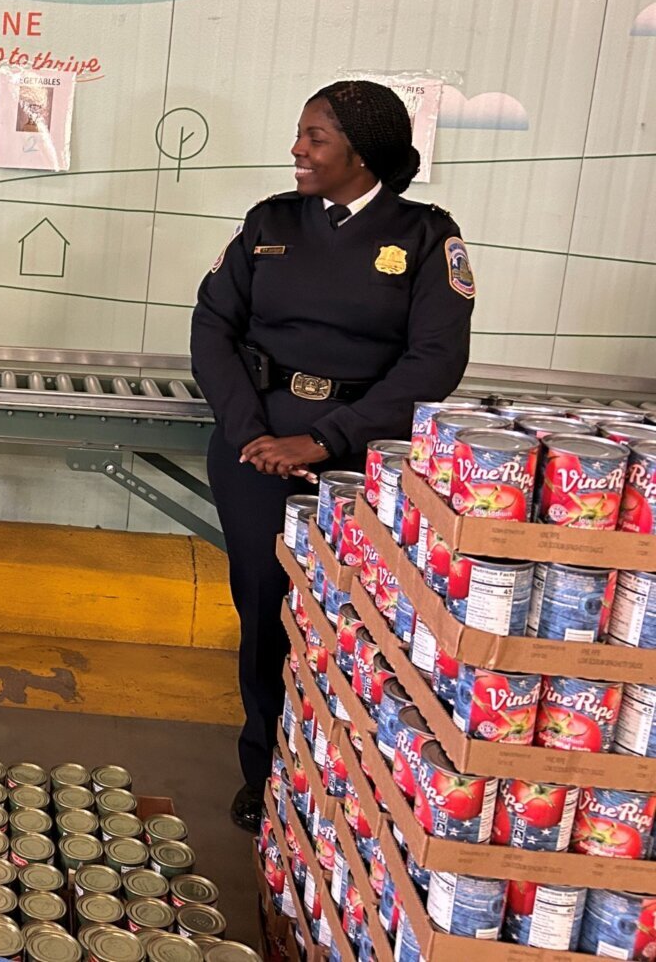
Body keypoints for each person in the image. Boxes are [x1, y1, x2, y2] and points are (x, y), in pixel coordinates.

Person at [190, 80, 475, 832]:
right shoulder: (269, 224)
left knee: (356, 621)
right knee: (262, 609)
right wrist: (250, 431)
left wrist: (323, 440)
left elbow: (434, 364)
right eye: (300, 133)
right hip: (255, 449)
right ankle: (267, 769)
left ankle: (350, 779)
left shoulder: (424, 236)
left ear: (362, 151)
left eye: (315, 137)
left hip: (362, 459)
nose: (298, 149)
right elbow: (213, 327)